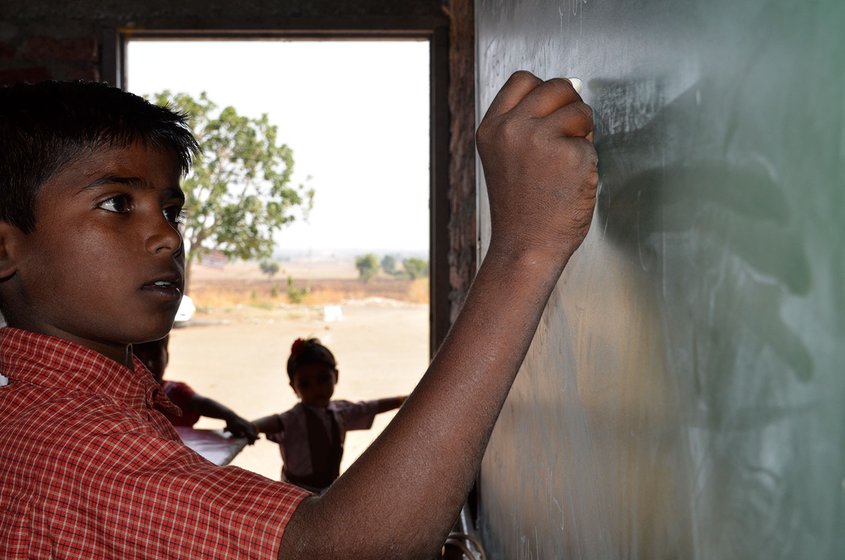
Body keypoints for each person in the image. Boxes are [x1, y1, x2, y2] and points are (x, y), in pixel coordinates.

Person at [0, 72, 597, 558]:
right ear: (6, 248)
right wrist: (525, 247)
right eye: (116, 203)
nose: (165, 236)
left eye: (171, 208)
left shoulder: (83, 408)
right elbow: (351, 551)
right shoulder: (73, 442)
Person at [253, 337, 407, 492]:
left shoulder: (341, 412)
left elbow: (370, 407)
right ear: (294, 387)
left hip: (330, 490)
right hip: (295, 493)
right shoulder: (293, 419)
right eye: (305, 384)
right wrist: (253, 427)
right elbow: (274, 422)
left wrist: (404, 400)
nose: (316, 388)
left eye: (323, 379)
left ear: (336, 376)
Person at [134, 335, 258, 443]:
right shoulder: (123, 397)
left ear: (167, 358)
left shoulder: (175, 393)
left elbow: (201, 404)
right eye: (138, 358)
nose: (148, 364)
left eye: (155, 357)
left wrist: (231, 417)